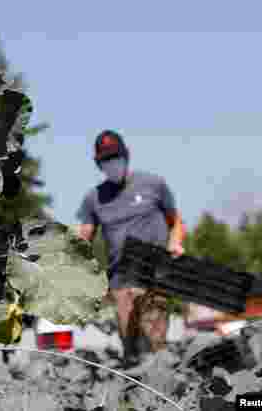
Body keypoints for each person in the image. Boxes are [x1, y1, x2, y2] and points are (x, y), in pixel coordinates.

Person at [75, 130, 186, 364]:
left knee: (155, 342)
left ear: (126, 156)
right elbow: (83, 237)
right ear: (99, 164)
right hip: (120, 280)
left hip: (155, 273)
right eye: (106, 160)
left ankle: (161, 385)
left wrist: (175, 242)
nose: (111, 163)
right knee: (131, 346)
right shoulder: (94, 198)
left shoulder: (153, 185)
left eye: (115, 157)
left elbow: (175, 221)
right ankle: (135, 390)